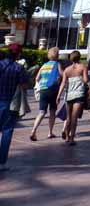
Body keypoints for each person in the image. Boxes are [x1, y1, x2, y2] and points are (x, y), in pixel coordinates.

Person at [0, 44, 29, 172]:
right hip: (10, 103)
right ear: (18, 54)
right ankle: (1, 162)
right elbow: (24, 86)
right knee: (7, 131)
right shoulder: (18, 68)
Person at [30, 47, 62, 141]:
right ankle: (50, 132)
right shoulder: (57, 64)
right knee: (52, 112)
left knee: (41, 112)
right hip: (53, 90)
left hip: (43, 91)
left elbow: (37, 78)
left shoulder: (44, 65)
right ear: (57, 55)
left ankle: (33, 130)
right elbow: (62, 74)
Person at [57, 50, 88, 145]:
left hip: (68, 95)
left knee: (68, 117)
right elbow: (86, 80)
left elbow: (63, 83)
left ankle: (66, 136)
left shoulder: (67, 70)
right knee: (74, 117)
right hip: (79, 94)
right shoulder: (83, 67)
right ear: (79, 58)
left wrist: (58, 96)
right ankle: (72, 138)